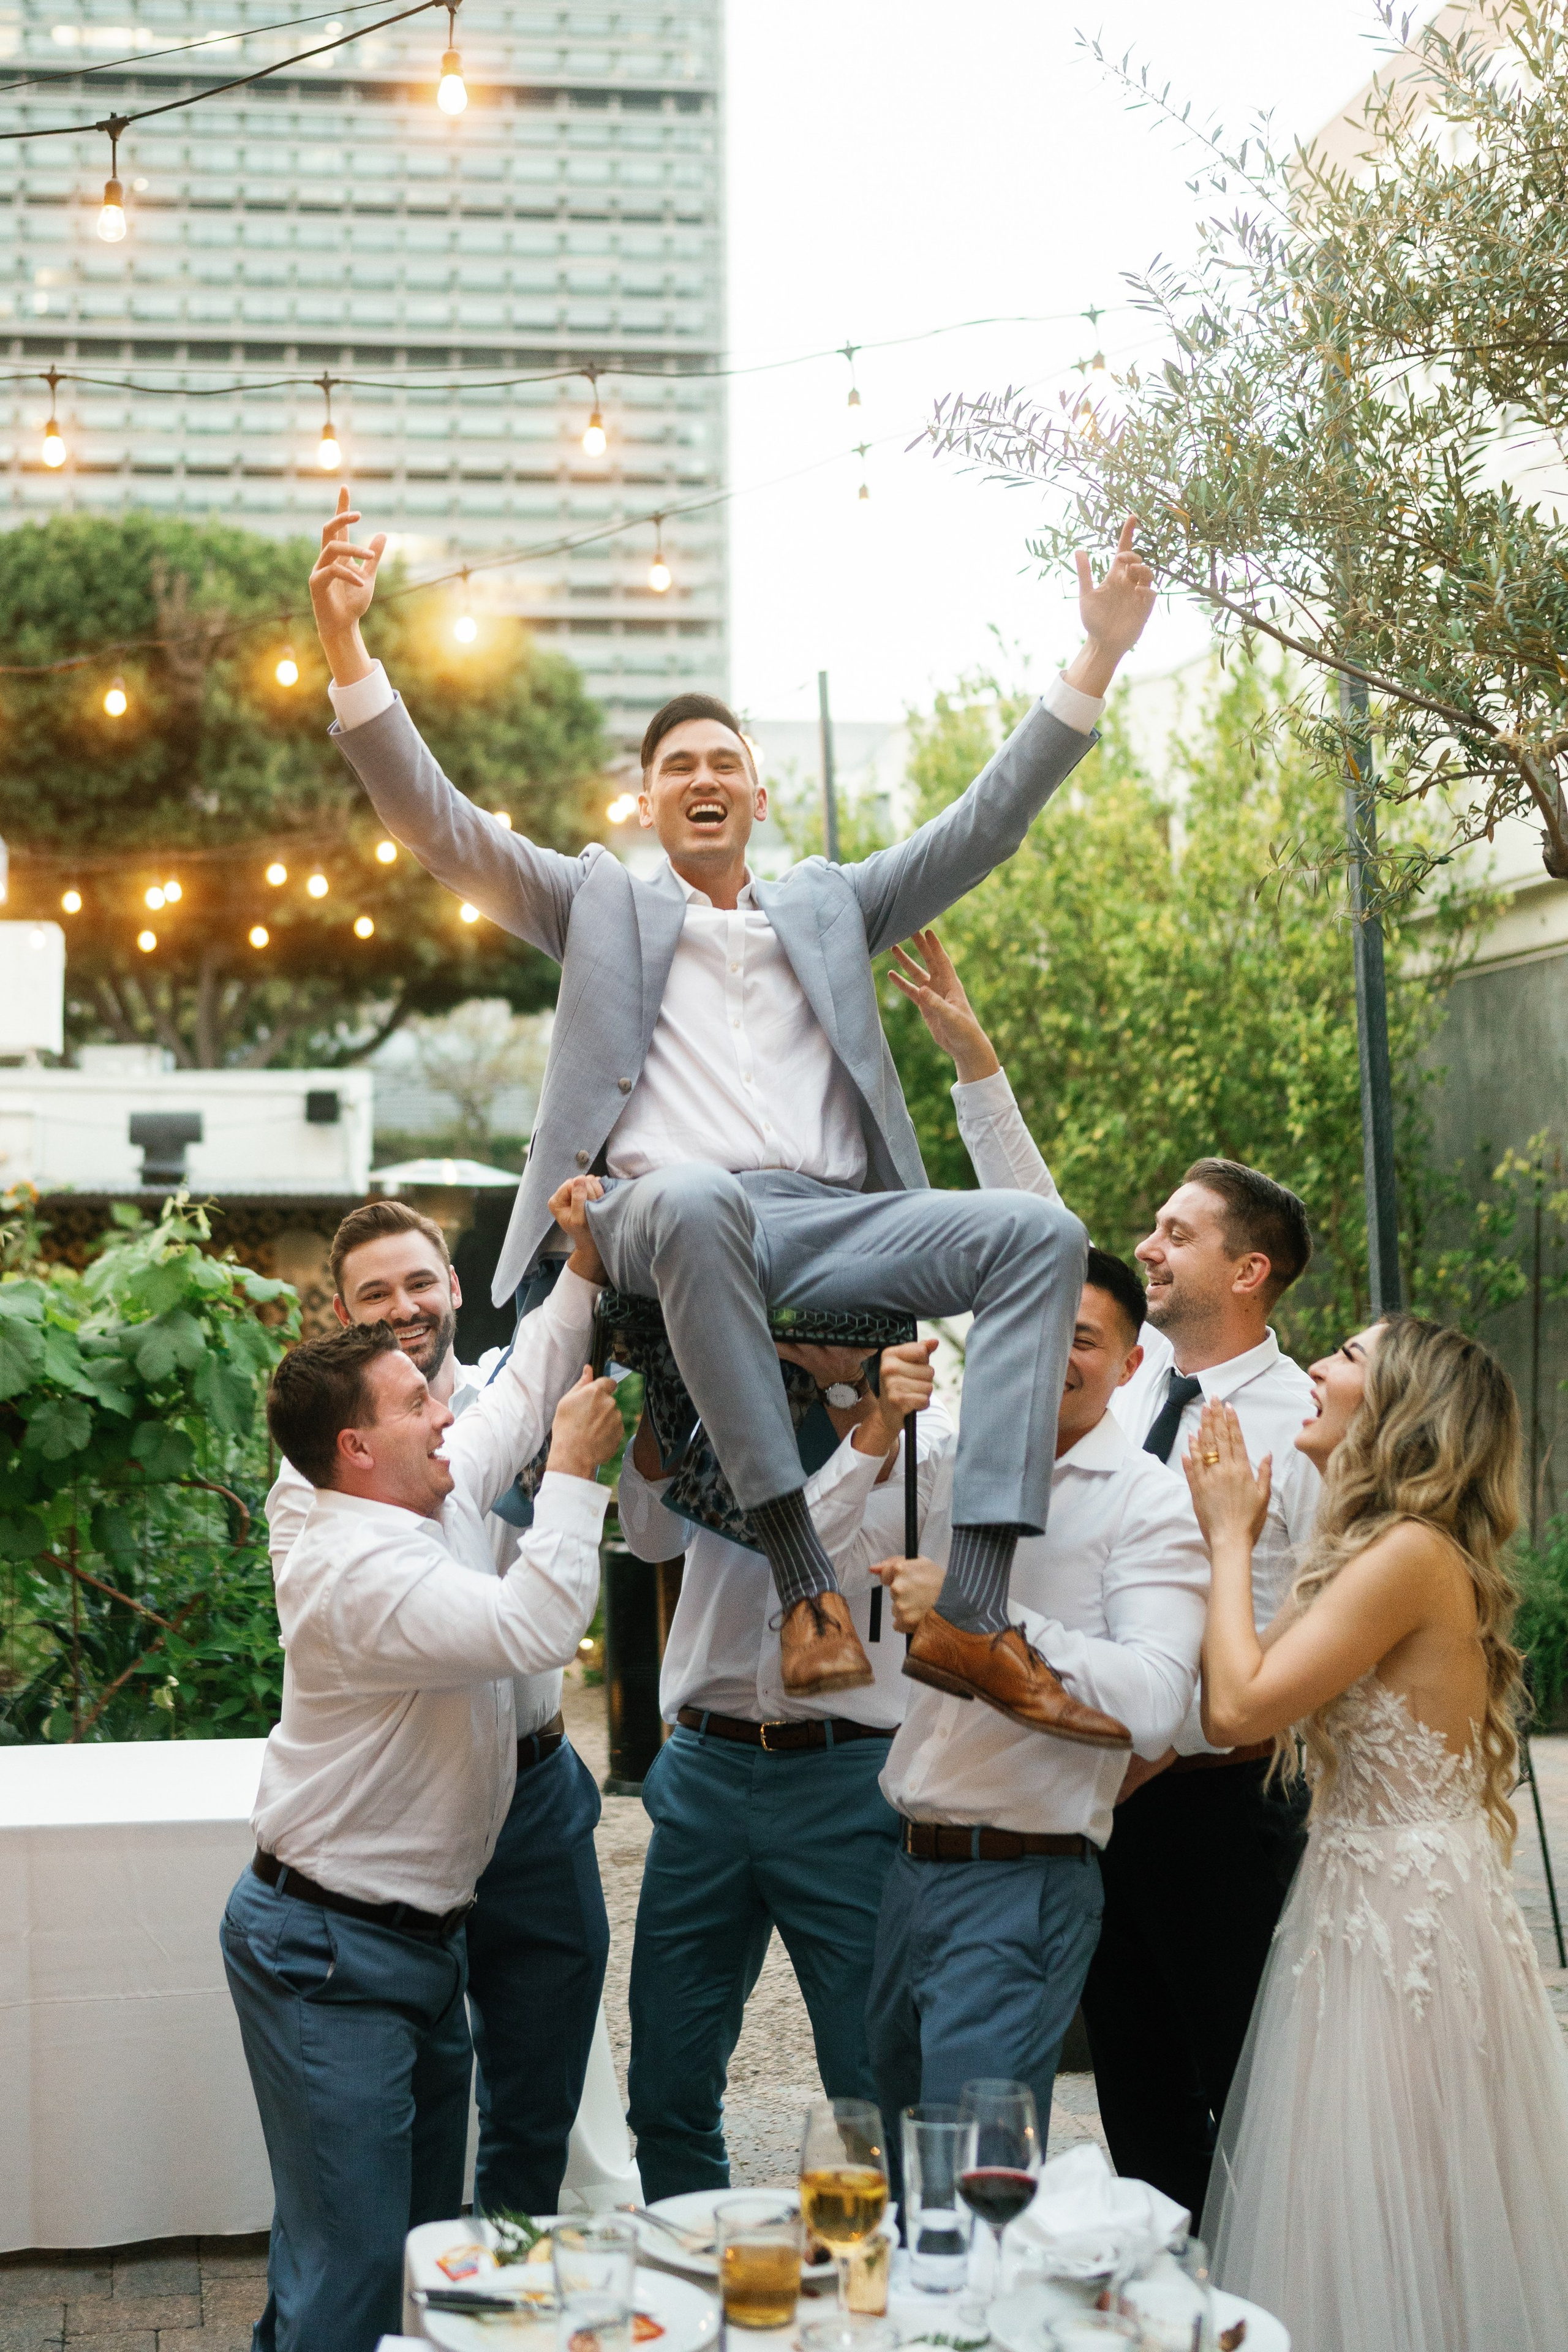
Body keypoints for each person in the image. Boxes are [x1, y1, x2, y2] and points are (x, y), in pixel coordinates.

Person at [306, 488, 1156, 1710]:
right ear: (645, 803)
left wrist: (1098, 652)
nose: (702, 779)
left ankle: (973, 1608)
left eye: (724, 765)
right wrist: (348, 650)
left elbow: (984, 826)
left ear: (755, 799)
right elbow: (440, 830)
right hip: (662, 1219)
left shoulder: (832, 904)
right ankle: (807, 1582)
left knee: (1041, 1236)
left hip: (832, 1217)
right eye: (676, 768)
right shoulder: (596, 901)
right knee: (697, 1197)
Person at [889, 927, 1319, 2222]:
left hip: (1203, 1804)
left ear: (1244, 1272)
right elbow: (1044, 1239)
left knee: (1234, 2074)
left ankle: (1249, 2291)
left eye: (1175, 1234)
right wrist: (978, 1067)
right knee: (1129, 2087)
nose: (1148, 1246)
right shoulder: (1131, 1385)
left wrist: (1146, 1739)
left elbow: (1267, 1635)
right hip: (1084, 1789)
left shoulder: (1291, 1420)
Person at [222, 1197, 621, 2352]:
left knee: (413, 2242)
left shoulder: (411, 1484)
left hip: (412, 1936)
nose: (448, 1413)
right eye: (417, 1403)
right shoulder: (353, 1561)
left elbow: (522, 1382)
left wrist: (584, 1270)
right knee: (348, 2267)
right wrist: (580, 1475)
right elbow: (536, 1622)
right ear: (358, 1445)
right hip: (332, 1951)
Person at [1188, 1316, 1568, 2352]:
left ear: (1404, 1407)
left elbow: (1236, 1707)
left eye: (1349, 1357)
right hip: (1366, 1899)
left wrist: (1229, 1534)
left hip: (1405, 1925)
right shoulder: (1384, 1549)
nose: (1316, 1366)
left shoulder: (1407, 1554)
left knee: (1393, 2196)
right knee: (1362, 2198)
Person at [848, 1246, 1208, 2171]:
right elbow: (816, 1558)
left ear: (1130, 1365)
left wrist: (979, 1616)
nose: (1053, 1356)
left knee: (967, 2180)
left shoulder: (1149, 1503)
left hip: (1023, 1881)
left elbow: (1158, 1703)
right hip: (908, 1870)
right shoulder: (952, 1456)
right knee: (898, 2166)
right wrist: (879, 1423)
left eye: (1081, 1339)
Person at [616, 1333, 943, 2198]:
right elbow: (647, 1538)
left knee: (875, 2082)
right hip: (704, 1770)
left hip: (846, 1782)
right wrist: (665, 1388)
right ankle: (692, 2276)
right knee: (666, 2082)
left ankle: (904, 2295)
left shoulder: (928, 1441)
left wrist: (874, 1427)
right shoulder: (728, 1406)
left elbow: (807, 1549)